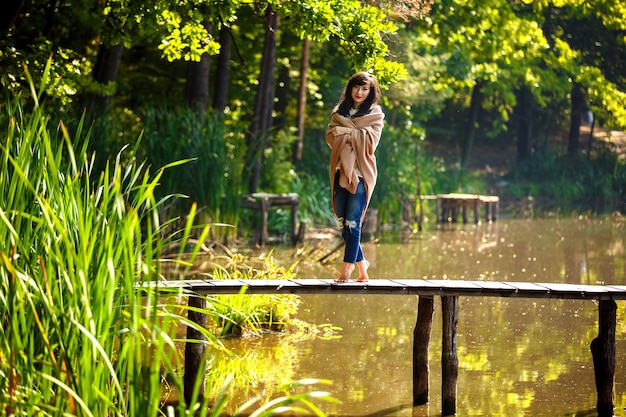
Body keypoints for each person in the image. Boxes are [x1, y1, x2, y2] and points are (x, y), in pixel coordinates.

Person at [325, 72, 384, 283]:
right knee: (343, 222)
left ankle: (345, 271)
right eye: (356, 87)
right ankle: (363, 267)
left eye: (365, 89)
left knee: (353, 222)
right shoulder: (339, 113)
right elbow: (332, 138)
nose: (360, 92)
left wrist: (345, 132)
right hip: (341, 171)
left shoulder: (375, 114)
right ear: (350, 88)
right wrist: (352, 133)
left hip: (361, 174)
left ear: (370, 92)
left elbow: (370, 143)